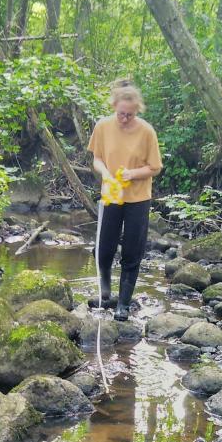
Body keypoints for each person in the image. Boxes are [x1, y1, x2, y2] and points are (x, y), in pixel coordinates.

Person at [88, 79, 162, 321]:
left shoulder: (147, 131)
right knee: (104, 247)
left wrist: (133, 174)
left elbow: (155, 167)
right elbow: (97, 159)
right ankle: (106, 293)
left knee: (132, 251)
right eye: (121, 114)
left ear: (137, 110)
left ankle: (123, 303)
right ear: (114, 107)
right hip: (111, 195)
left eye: (129, 115)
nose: (124, 119)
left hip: (138, 198)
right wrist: (106, 174)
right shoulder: (103, 126)